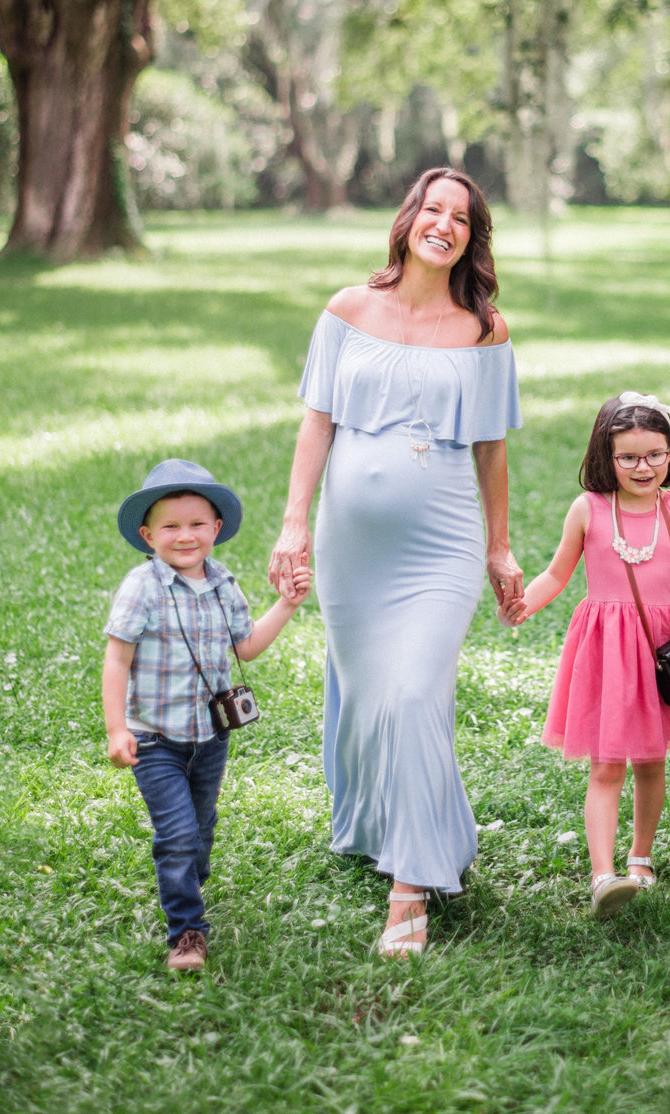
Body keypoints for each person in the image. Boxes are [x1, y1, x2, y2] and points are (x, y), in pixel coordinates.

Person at [268, 167, 523, 957]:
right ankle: (400, 827)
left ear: (470, 238)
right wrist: (292, 525)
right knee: (369, 696)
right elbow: (316, 425)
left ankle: (411, 888)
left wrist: (500, 545)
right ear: (409, 219)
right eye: (432, 209)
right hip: (353, 548)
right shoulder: (349, 310)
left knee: (415, 692)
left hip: (440, 543)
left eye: (460, 217)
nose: (442, 224)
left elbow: (493, 450)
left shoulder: (485, 330)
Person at [500, 391, 670, 915]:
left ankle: (640, 858)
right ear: (605, 456)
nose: (644, 467)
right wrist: (526, 604)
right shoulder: (589, 509)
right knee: (606, 765)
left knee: (652, 761)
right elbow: (556, 574)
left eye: (655, 454)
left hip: (661, 649)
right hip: (608, 651)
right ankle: (602, 875)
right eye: (629, 457)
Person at [103, 459, 310, 971]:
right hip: (154, 739)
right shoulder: (142, 587)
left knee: (199, 832)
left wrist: (285, 604)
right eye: (170, 526)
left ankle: (186, 877)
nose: (185, 536)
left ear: (216, 529)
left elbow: (249, 645)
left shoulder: (224, 584)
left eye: (196, 524)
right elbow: (117, 658)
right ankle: (187, 932)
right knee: (176, 835)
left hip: (211, 738)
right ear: (148, 534)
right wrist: (116, 728)